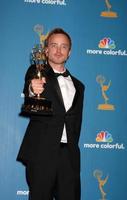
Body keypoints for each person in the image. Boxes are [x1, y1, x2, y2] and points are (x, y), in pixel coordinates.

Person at [17, 28, 85, 200]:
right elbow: (30, 90)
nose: (58, 50)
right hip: (42, 153)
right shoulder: (36, 71)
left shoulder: (79, 86)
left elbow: (76, 123)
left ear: (69, 52)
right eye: (54, 45)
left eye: (64, 47)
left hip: (68, 157)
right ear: (46, 50)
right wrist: (33, 89)